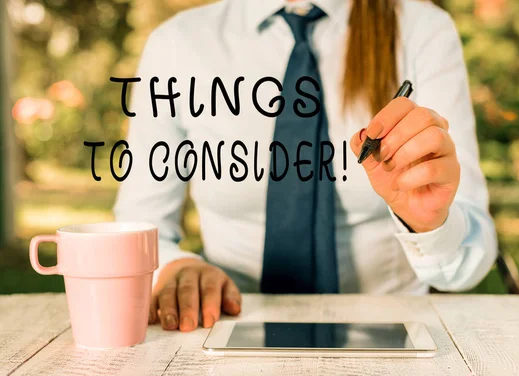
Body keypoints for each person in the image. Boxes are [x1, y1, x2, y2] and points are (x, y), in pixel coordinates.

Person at [113, 0, 498, 332]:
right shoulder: (178, 43)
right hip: (228, 327)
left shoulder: (422, 30)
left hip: (393, 334)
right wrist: (175, 266)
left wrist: (430, 223)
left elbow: (468, 262)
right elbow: (138, 226)